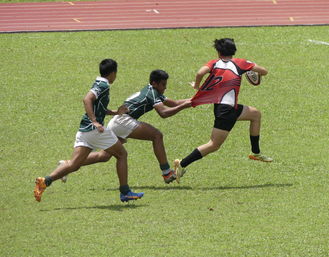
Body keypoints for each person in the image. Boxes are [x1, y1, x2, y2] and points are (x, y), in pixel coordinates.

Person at [34, 59, 144, 203]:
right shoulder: (104, 85)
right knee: (122, 154)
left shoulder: (98, 83)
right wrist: (95, 121)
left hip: (84, 130)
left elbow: (98, 107)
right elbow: (87, 100)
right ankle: (125, 192)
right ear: (112, 73)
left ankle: (45, 181)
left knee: (74, 164)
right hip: (94, 130)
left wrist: (116, 112)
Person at [60, 69, 192, 184]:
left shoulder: (153, 91)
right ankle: (166, 172)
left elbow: (174, 103)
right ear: (154, 83)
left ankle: (67, 165)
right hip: (123, 121)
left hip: (117, 122)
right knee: (157, 135)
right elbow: (163, 113)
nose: (165, 87)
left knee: (104, 156)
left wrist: (193, 100)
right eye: (163, 84)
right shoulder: (152, 92)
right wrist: (184, 106)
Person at [174, 38, 273, 182]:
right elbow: (264, 71)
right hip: (226, 110)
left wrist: (196, 85)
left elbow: (201, 72)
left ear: (219, 52)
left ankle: (255, 152)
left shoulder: (214, 63)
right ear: (234, 50)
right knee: (213, 145)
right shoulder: (241, 63)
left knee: (255, 114)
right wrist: (251, 70)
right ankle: (182, 164)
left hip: (227, 107)